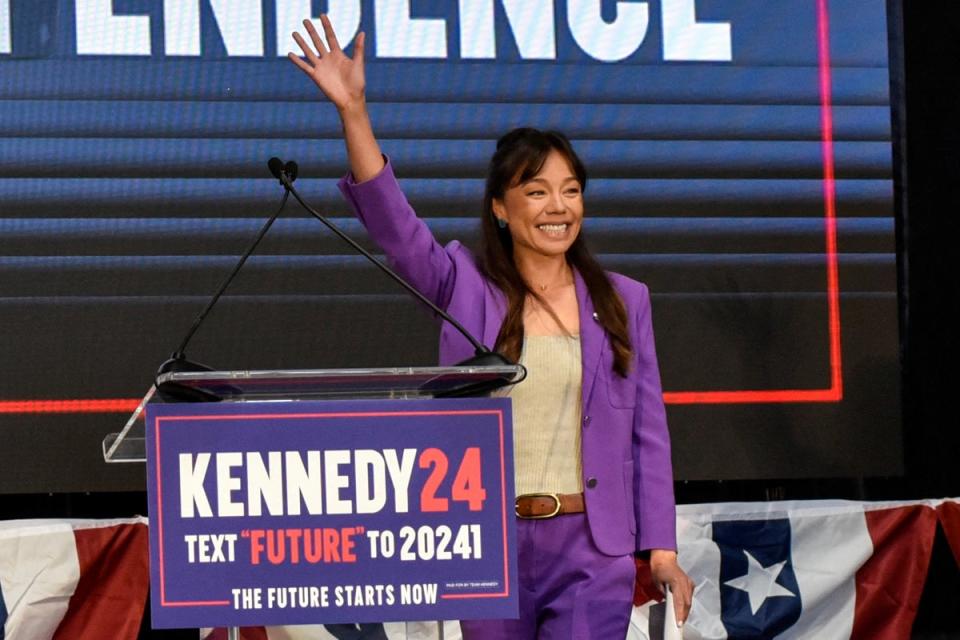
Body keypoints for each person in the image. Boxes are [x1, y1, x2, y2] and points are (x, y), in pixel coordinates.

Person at [288, 16, 694, 639]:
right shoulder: (463, 285)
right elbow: (396, 229)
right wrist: (354, 111)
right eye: (536, 191)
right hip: (486, 544)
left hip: (592, 547)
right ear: (502, 209)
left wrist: (660, 548)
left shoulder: (623, 299)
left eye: (571, 191)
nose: (558, 207)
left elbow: (649, 433)